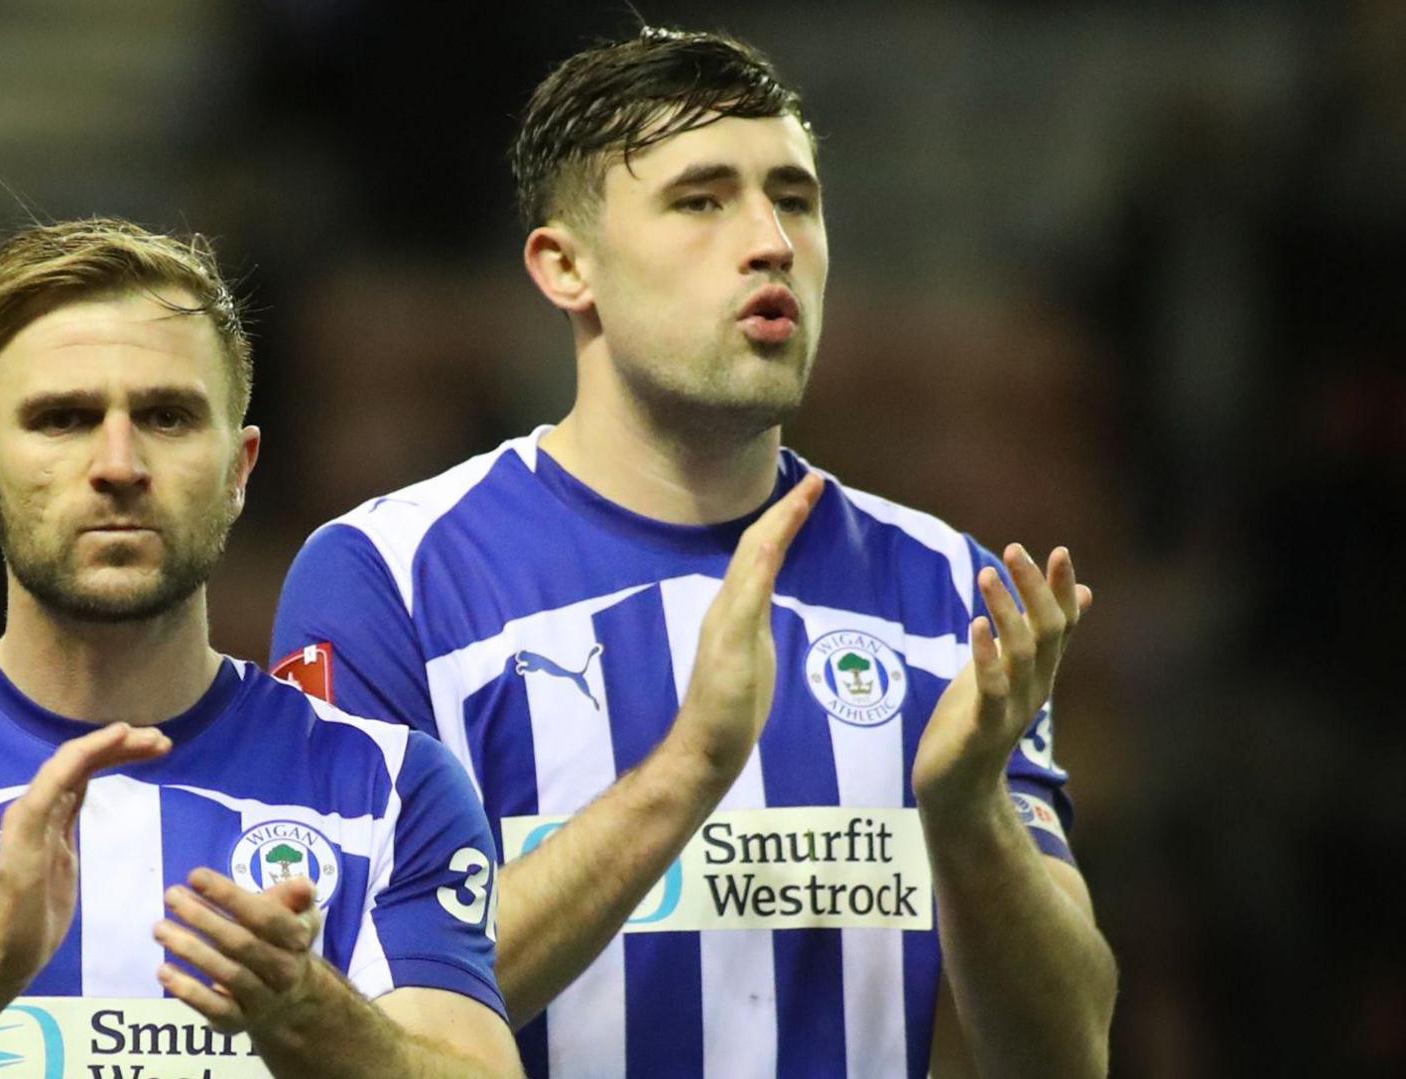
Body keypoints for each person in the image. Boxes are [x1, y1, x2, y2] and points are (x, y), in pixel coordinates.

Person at [271, 27, 1116, 1079]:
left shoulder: (951, 590)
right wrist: (687, 771)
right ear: (565, 264)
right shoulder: (390, 579)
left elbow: (1066, 1055)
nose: (769, 241)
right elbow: (338, 1023)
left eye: (794, 199)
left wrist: (970, 811)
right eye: (701, 200)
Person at [0, 219, 523, 1078]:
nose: (118, 463)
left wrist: (315, 1015)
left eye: (166, 415)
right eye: (64, 419)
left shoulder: (391, 787)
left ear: (239, 466)